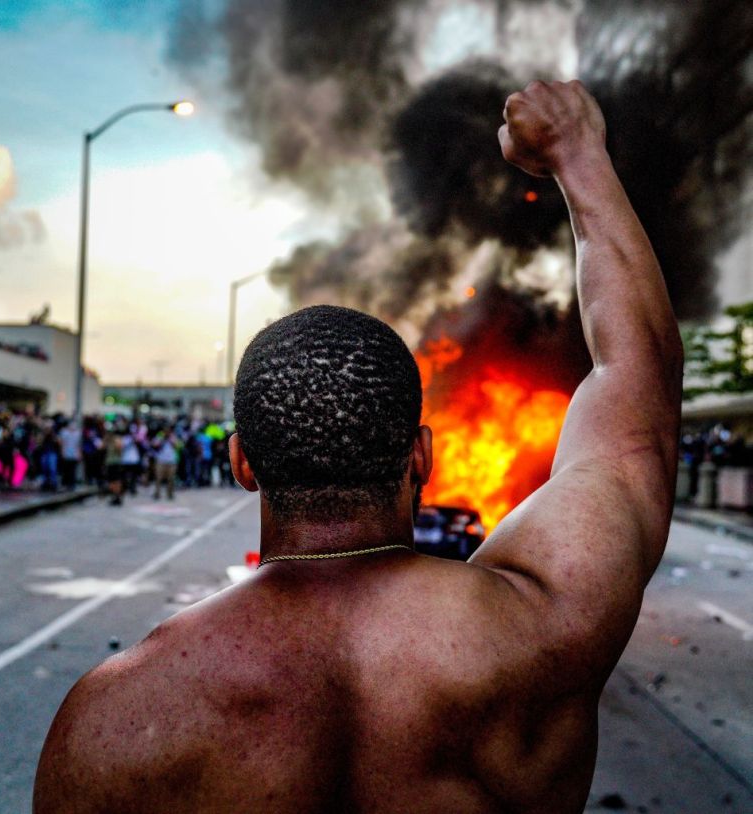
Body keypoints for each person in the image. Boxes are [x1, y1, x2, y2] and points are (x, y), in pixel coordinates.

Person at [34, 81, 682, 813]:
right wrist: (578, 155)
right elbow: (637, 386)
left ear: (242, 462)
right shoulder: (541, 623)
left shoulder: (112, 720)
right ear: (421, 458)